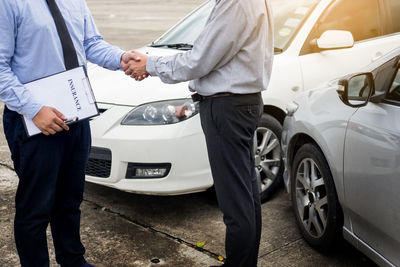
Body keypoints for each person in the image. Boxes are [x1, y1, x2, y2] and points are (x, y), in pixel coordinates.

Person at [122, 0, 274, 266]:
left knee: (234, 203)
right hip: (238, 103)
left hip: (228, 107)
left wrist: (150, 64)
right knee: (245, 194)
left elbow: (199, 60)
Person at [0, 0, 139, 266]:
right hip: (34, 121)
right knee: (35, 208)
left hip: (77, 114)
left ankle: (73, 259)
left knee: (70, 199)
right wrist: (34, 109)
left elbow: (90, 43)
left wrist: (121, 58)